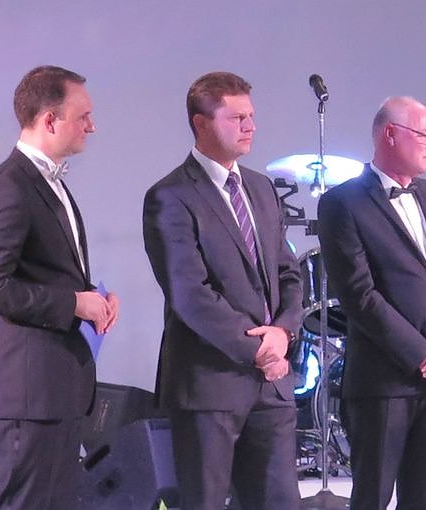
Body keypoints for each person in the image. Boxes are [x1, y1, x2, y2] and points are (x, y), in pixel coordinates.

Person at [142, 71, 303, 510]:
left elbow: (288, 273)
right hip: (209, 385)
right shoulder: (170, 196)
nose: (250, 126)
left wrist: (283, 333)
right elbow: (189, 293)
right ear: (201, 123)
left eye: (251, 116)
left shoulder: (261, 188)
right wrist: (258, 348)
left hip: (271, 385)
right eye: (236, 118)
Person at [316, 96, 426, 509]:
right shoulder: (342, 203)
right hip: (384, 382)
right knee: (372, 498)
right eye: (425, 136)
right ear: (390, 134)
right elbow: (359, 296)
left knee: (425, 500)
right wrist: (424, 357)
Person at [0, 65, 119, 509]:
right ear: (50, 120)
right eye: (83, 116)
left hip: (54, 391)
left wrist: (93, 298)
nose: (92, 126)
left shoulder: (47, 183)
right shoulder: (9, 187)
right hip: (28, 396)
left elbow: (45, 270)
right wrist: (74, 303)